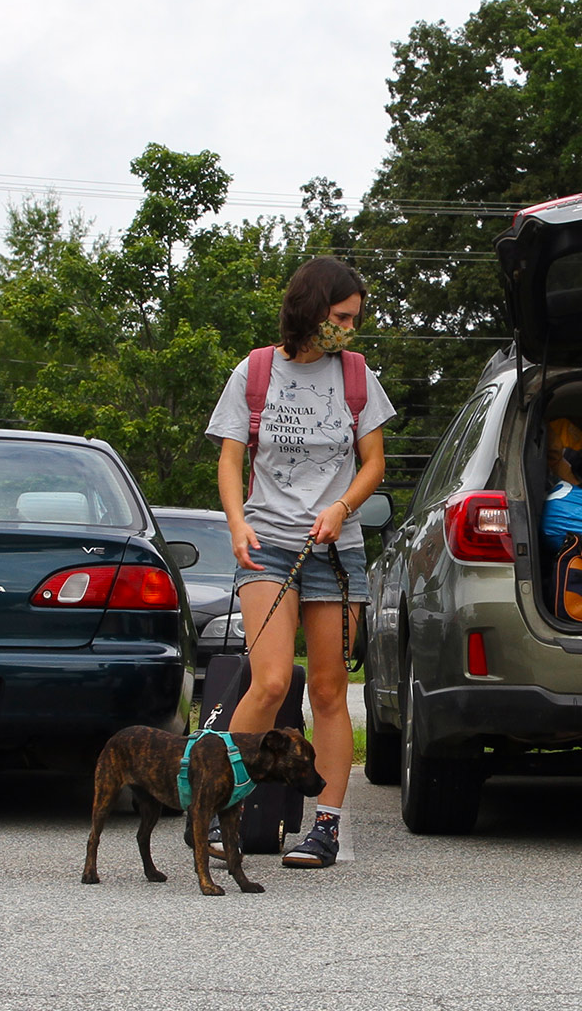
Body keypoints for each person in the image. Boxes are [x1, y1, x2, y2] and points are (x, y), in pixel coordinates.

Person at [203, 256, 395, 868]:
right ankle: (214, 809)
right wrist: (237, 524)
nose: (350, 329)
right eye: (342, 317)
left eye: (355, 319)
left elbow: (374, 464)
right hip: (266, 544)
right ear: (312, 310)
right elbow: (231, 459)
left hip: (335, 550)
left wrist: (342, 507)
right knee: (272, 681)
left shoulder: (358, 376)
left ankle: (328, 828)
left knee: (331, 690)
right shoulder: (256, 371)